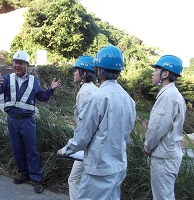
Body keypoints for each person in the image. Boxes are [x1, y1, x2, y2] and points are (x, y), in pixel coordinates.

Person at [57, 45, 136, 199]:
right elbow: (127, 131)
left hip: (99, 168)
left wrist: (66, 150)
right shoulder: (128, 99)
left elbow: (82, 136)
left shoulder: (97, 98)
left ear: (98, 70)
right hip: (119, 165)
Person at [0, 50, 61, 193]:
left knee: (31, 150)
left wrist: (51, 90)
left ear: (26, 65)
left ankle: (37, 178)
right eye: (15, 62)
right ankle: (23, 173)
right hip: (12, 120)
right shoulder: (6, 78)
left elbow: (42, 97)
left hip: (27, 121)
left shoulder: (33, 81)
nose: (17, 65)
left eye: (20, 63)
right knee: (17, 149)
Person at [144, 55, 186, 200]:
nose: (152, 73)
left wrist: (148, 148)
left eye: (156, 70)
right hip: (169, 154)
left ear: (165, 74)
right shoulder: (175, 95)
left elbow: (156, 129)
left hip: (164, 157)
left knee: (163, 197)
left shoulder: (168, 96)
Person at [68, 55, 98, 200]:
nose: (74, 73)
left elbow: (84, 124)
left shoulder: (84, 92)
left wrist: (73, 147)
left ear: (84, 73)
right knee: (86, 182)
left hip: (86, 145)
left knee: (74, 180)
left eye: (76, 70)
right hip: (94, 144)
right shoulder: (94, 89)